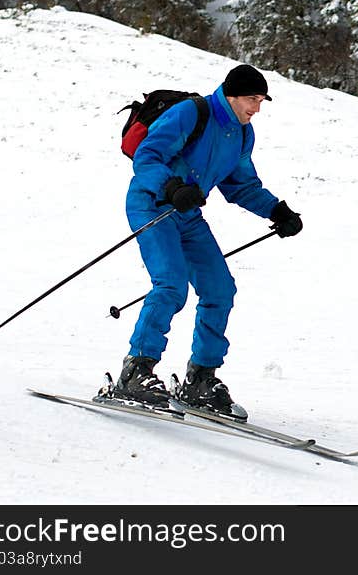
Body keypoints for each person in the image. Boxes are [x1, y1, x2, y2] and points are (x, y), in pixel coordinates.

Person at [112, 64, 303, 420]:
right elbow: (148, 156)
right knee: (171, 285)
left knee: (219, 290)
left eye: (261, 101)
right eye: (251, 99)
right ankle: (136, 371)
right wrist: (170, 187)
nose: (256, 108)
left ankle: (200, 378)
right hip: (151, 205)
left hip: (188, 215)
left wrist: (276, 210)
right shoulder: (192, 113)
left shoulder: (243, 134)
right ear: (231, 95)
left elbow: (241, 185)